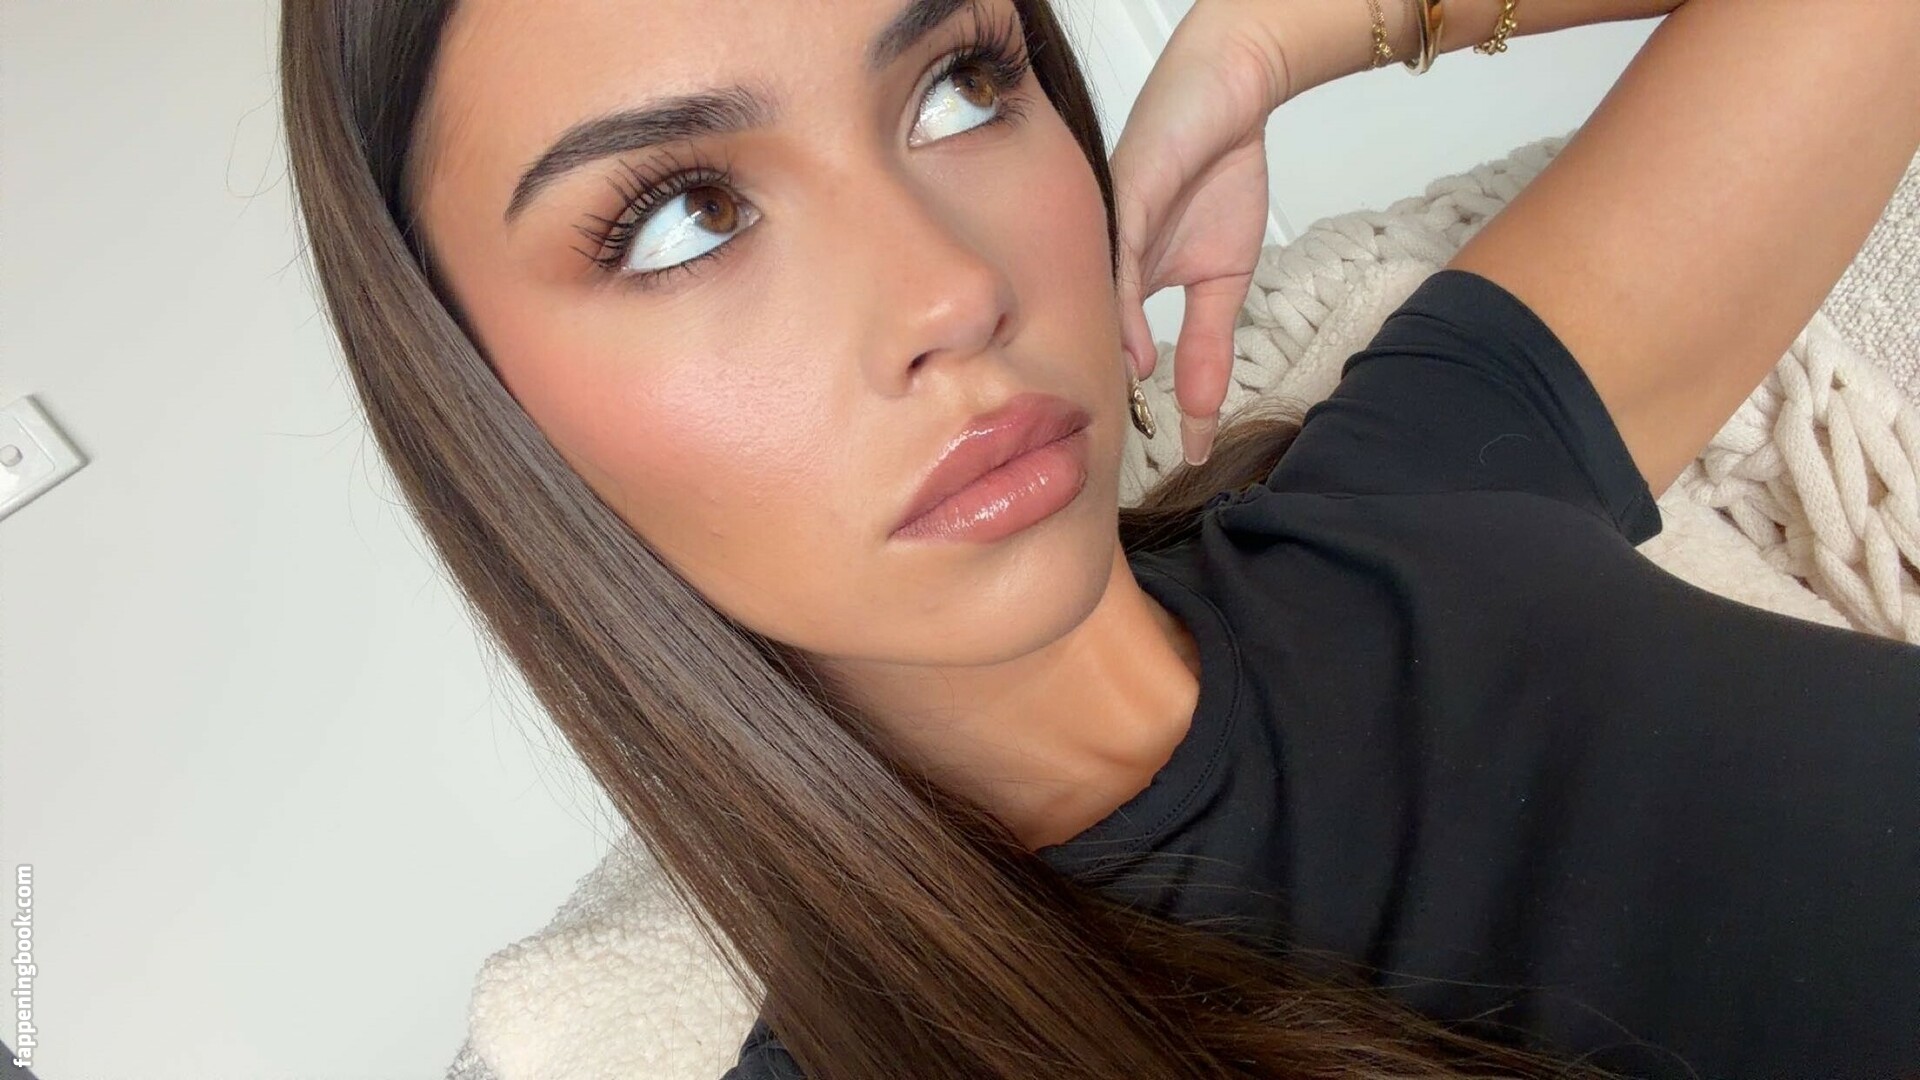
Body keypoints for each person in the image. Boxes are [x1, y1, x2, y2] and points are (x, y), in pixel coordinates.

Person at [275, 0, 1920, 1075]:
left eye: (958, 87)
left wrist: (1278, 35)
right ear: (477, 407)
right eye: (684, 219)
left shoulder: (1425, 465)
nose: (953, 287)